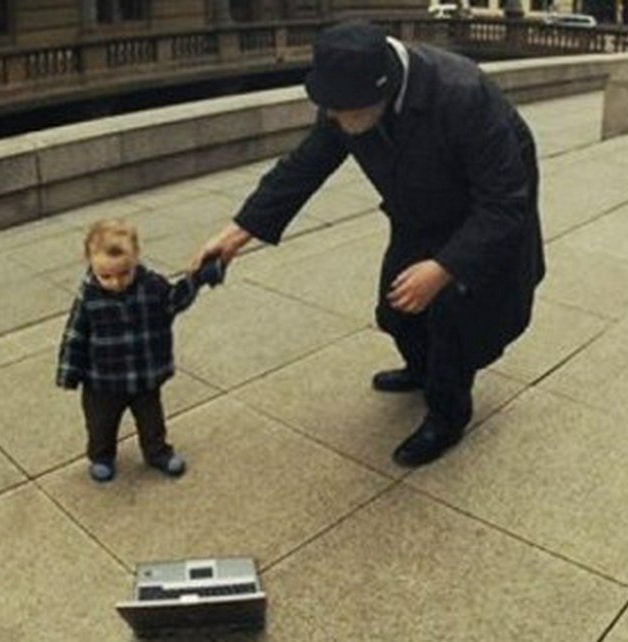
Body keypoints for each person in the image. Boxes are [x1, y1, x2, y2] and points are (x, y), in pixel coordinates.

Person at [191, 20, 544, 468]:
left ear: (383, 91)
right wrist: (236, 233)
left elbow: (504, 202)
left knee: (454, 321)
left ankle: (447, 414)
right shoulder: (348, 94)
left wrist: (443, 267)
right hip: (419, 206)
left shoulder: (462, 93)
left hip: (480, 210)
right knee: (395, 308)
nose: (333, 120)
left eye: (342, 112)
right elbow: (305, 166)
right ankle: (421, 369)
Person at [57, 218, 224, 483]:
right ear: (91, 264)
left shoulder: (152, 285)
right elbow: (75, 335)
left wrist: (200, 277)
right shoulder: (89, 296)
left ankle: (157, 452)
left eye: (124, 273)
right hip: (103, 381)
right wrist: (69, 372)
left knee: (152, 421)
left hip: (145, 374)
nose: (115, 282)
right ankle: (101, 455)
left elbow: (175, 299)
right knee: (101, 423)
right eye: (106, 276)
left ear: (136, 259)